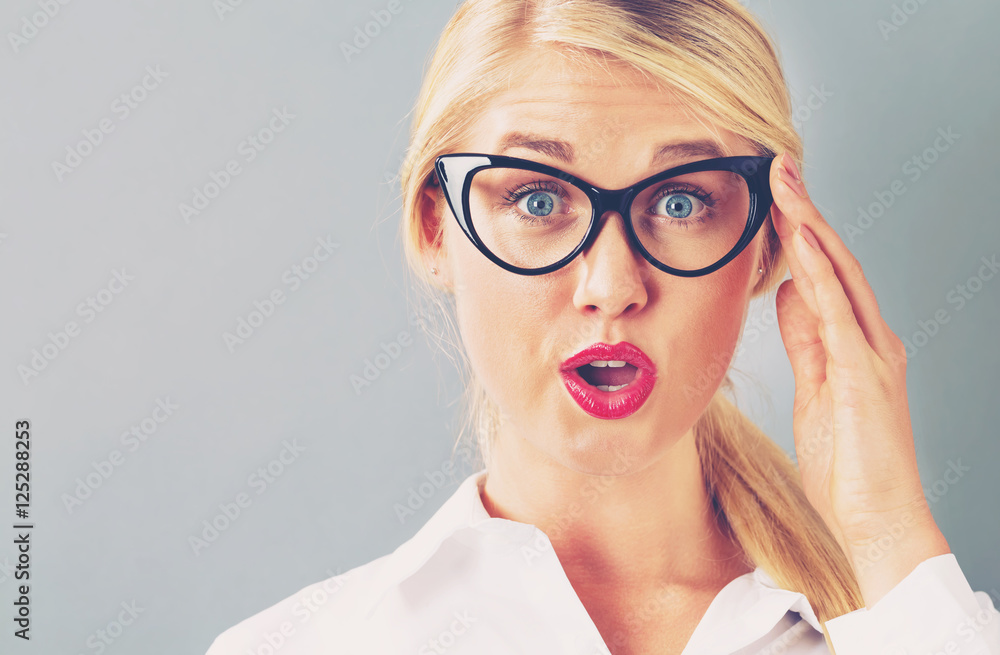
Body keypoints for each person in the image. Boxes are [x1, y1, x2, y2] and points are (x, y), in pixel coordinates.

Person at [206, 1, 1000, 653]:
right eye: (538, 200)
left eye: (682, 201)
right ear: (435, 227)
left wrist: (886, 534)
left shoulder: (902, 624)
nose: (613, 286)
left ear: (768, 244)